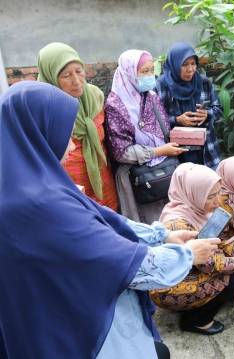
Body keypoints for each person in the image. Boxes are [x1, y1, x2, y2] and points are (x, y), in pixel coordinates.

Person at [0, 81, 221, 358]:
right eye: (64, 135)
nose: (70, 147)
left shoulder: (22, 184)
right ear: (37, 134)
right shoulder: (39, 205)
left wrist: (159, 234)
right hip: (76, 327)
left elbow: (97, 217)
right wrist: (187, 255)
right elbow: (121, 262)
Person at [150, 163, 234, 335]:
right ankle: (196, 320)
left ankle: (193, 306)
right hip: (167, 287)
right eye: (210, 196)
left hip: (190, 270)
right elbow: (219, 264)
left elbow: (220, 242)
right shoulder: (178, 223)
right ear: (193, 193)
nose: (217, 200)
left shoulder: (200, 210)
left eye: (218, 193)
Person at [104, 50, 187, 223]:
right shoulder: (116, 105)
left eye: (151, 70)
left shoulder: (152, 96)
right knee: (147, 228)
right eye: (144, 72)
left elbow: (163, 132)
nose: (150, 76)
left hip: (164, 171)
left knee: (171, 223)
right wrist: (159, 151)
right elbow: (121, 153)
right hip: (137, 179)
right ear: (129, 73)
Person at [37, 42, 119, 210]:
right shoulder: (42, 108)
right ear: (51, 76)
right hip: (68, 186)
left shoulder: (95, 96)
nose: (77, 81)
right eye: (66, 75)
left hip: (103, 180)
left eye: (79, 71)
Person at [154, 42, 222, 170]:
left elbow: (218, 108)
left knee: (211, 187)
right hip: (176, 155)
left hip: (207, 152)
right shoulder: (162, 85)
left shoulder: (203, 82)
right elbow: (153, 119)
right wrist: (177, 120)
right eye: (184, 65)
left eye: (193, 64)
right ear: (174, 64)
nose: (190, 69)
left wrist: (207, 114)